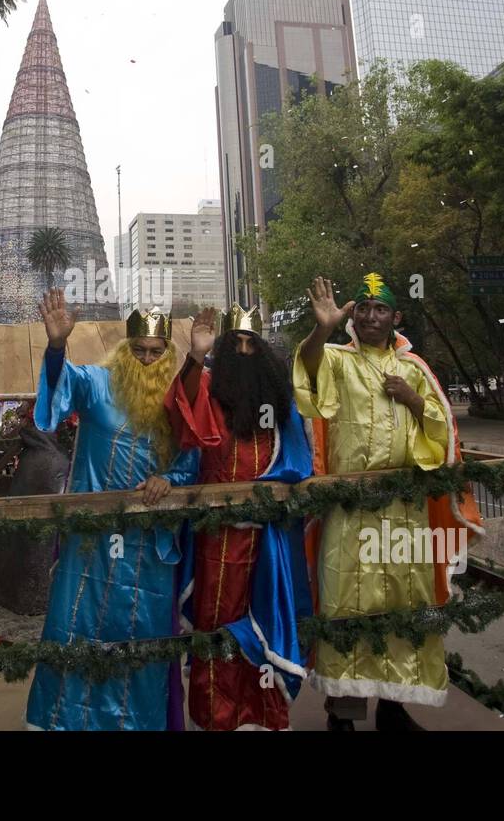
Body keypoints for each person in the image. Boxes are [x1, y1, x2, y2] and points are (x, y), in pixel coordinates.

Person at [294, 274, 482, 731]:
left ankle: (394, 707)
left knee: (407, 603)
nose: (371, 316)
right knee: (345, 605)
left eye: (381, 310)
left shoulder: (415, 368)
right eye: (363, 309)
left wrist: (415, 400)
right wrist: (322, 329)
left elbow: (441, 435)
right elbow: (308, 380)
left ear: (396, 317)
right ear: (352, 316)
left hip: (405, 511)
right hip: (349, 509)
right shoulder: (337, 360)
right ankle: (344, 712)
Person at [25, 291, 199, 731]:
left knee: (142, 649)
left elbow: (191, 460)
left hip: (147, 549)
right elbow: (56, 394)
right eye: (138, 349)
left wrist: (170, 480)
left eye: (155, 352)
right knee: (74, 634)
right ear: (125, 348)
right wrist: (57, 345)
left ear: (167, 354)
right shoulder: (96, 383)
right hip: (91, 544)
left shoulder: (176, 401)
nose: (145, 359)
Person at [163, 305, 314, 731]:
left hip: (268, 539)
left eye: (252, 343)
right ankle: (216, 718)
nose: (244, 350)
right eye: (237, 343)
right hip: (217, 539)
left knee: (265, 623)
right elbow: (184, 410)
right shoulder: (210, 390)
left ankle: (262, 718)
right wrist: (195, 356)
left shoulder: (277, 400)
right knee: (216, 630)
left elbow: (297, 459)